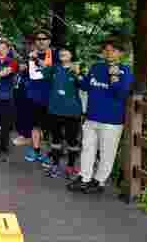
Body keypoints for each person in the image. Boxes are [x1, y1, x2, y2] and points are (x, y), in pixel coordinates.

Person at [68, 38, 134, 194]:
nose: (109, 53)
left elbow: (121, 94)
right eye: (106, 50)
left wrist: (114, 77)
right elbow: (85, 86)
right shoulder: (96, 67)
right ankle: (84, 178)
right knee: (87, 149)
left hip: (112, 121)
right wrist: (78, 74)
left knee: (107, 153)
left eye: (113, 50)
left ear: (121, 53)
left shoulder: (125, 70)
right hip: (92, 117)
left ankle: (99, 181)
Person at [41, 47, 82, 178]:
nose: (62, 53)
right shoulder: (54, 68)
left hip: (72, 111)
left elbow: (84, 85)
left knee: (72, 141)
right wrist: (34, 59)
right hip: (55, 110)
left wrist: (78, 74)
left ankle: (71, 166)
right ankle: (55, 165)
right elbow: (39, 73)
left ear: (72, 54)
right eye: (61, 52)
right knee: (55, 139)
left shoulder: (76, 69)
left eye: (66, 51)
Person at [24, 29, 57, 163]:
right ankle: (36, 150)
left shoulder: (55, 55)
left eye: (44, 39)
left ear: (49, 41)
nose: (41, 41)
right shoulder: (30, 55)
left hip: (52, 97)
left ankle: (51, 153)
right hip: (35, 95)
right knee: (35, 125)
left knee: (51, 128)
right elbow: (29, 74)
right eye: (38, 39)